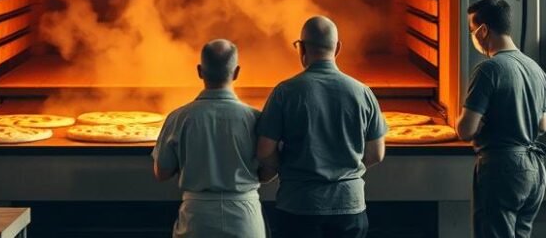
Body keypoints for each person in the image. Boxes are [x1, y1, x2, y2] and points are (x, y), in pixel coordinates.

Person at [256, 16, 386, 238]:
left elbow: (265, 151)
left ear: (302, 48)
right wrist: (344, 170)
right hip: (349, 206)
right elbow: (376, 154)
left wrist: (284, 170)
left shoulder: (285, 92)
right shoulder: (362, 92)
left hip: (298, 205)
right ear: (337, 48)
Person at [152, 40, 273, 237]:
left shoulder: (179, 117)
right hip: (244, 217)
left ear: (200, 71)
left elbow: (162, 172)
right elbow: (269, 169)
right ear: (236, 73)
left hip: (197, 218)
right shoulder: (255, 118)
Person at [456, 0, 546, 238]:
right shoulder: (535, 69)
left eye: (471, 30)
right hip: (533, 170)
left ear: (483, 30)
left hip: (502, 167)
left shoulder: (489, 69)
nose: (473, 37)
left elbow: (466, 130)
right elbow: (542, 125)